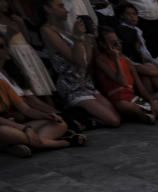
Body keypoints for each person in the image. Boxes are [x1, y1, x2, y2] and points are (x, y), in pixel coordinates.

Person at [41, 0, 121, 128]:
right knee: (113, 120)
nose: (66, 10)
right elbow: (76, 60)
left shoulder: (67, 30)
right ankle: (79, 118)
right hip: (71, 86)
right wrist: (78, 38)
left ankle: (84, 118)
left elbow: (85, 62)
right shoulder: (47, 31)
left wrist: (87, 40)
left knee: (116, 116)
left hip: (86, 83)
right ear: (48, 9)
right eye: (60, 6)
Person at [0, 37, 81, 157]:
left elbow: (26, 108)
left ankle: (28, 144)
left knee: (59, 124)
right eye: (1, 47)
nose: (5, 50)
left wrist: (47, 115)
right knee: (4, 131)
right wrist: (23, 127)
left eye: (3, 46)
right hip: (7, 126)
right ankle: (63, 142)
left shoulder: (4, 82)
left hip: (16, 124)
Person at [94, 26, 158, 122]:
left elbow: (140, 87)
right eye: (113, 43)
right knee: (126, 106)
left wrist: (150, 100)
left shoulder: (127, 61)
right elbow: (122, 81)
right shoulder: (101, 60)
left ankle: (152, 113)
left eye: (118, 42)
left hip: (133, 98)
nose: (118, 45)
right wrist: (116, 59)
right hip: (118, 100)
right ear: (103, 44)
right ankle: (156, 113)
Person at [0, 0, 56, 99]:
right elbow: (4, 44)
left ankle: (52, 107)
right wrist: (10, 32)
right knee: (30, 81)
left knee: (41, 80)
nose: (5, 4)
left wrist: (21, 24)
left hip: (28, 50)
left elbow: (28, 39)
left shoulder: (12, 18)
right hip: (16, 52)